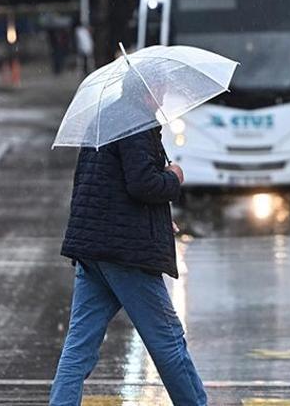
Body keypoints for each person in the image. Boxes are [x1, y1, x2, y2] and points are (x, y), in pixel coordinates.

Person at [50, 75, 207, 406]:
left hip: (93, 248)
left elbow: (103, 186)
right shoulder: (136, 123)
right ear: (149, 90)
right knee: (168, 342)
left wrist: (159, 219)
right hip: (126, 255)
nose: (164, 95)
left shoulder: (104, 119)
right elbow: (142, 184)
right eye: (161, 88)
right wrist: (173, 178)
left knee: (78, 347)